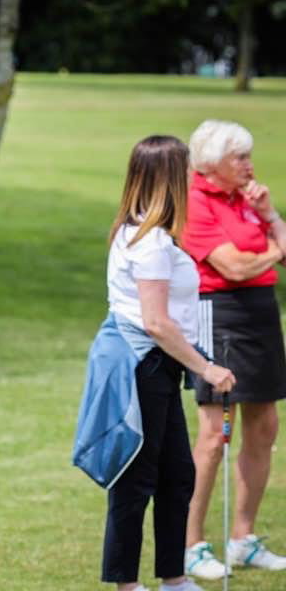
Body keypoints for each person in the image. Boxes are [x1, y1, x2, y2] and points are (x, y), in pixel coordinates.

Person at [97, 135, 236, 591]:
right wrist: (208, 368)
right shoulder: (151, 242)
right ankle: (127, 584)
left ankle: (174, 578)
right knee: (135, 481)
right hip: (145, 368)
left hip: (159, 369)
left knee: (178, 476)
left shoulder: (140, 232)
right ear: (170, 178)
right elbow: (156, 322)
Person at [182, 119, 286, 579]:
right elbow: (233, 267)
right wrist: (273, 252)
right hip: (219, 315)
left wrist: (270, 218)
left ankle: (243, 539)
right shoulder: (195, 201)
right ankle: (191, 545)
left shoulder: (248, 199)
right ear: (212, 165)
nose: (248, 164)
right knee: (212, 437)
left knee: (264, 425)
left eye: (247, 155)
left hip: (262, 313)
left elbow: (269, 252)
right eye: (239, 157)